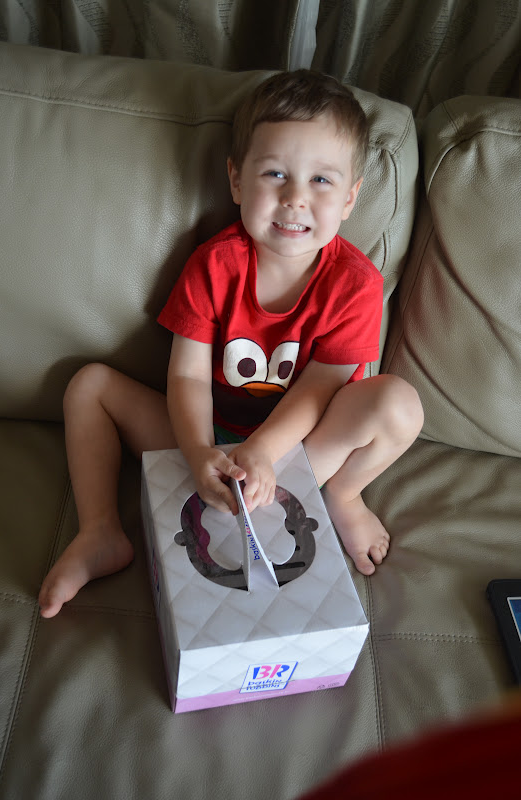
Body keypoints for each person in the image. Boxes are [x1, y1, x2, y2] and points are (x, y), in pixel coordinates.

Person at [38, 69, 423, 619]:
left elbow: (321, 388)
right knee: (89, 386)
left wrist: (264, 453)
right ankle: (99, 530)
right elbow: (188, 375)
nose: (295, 198)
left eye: (321, 180)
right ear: (237, 181)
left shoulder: (355, 284)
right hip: (207, 439)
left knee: (399, 403)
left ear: (349, 198)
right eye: (275, 173)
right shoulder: (213, 266)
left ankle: (341, 495)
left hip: (301, 452)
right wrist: (199, 454)